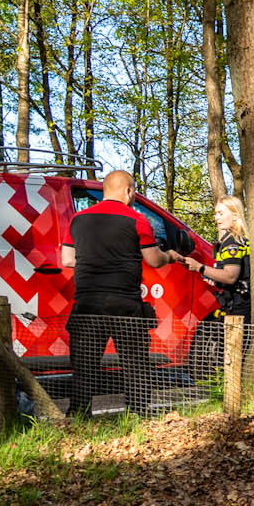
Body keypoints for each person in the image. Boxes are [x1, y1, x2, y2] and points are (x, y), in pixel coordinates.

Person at [61, 170, 177, 417]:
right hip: (125, 304)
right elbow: (154, 260)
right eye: (133, 191)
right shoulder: (137, 219)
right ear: (128, 191)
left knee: (84, 367)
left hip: (87, 304)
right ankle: (138, 415)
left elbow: (68, 259)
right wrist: (171, 256)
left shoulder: (77, 219)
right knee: (135, 366)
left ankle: (79, 417)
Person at [183, 194, 250, 324]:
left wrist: (199, 267)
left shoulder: (232, 242)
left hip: (240, 305)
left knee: (235, 344)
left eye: (221, 213)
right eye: (216, 214)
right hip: (237, 301)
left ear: (235, 216)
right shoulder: (236, 239)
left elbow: (230, 276)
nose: (216, 218)